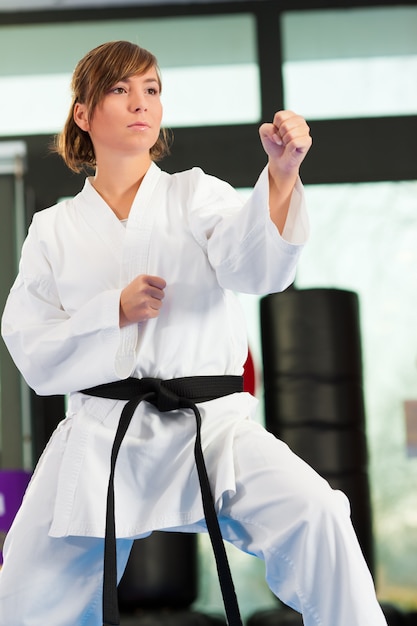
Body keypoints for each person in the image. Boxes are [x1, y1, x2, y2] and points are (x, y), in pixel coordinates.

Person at [0, 40, 387, 626]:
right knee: (24, 597)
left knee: (320, 515)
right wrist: (113, 312)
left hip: (212, 425)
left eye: (152, 90)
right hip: (100, 435)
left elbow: (252, 267)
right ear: (83, 114)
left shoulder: (195, 194)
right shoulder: (52, 230)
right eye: (121, 89)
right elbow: (32, 348)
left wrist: (281, 174)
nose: (142, 103)